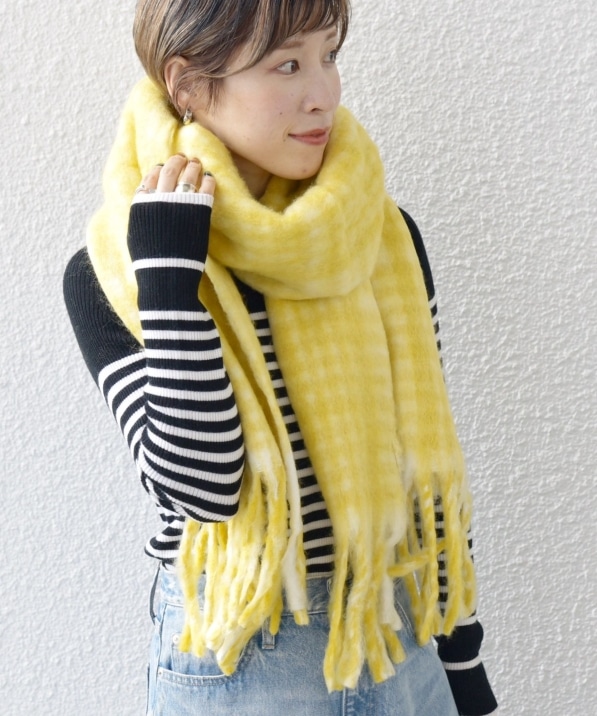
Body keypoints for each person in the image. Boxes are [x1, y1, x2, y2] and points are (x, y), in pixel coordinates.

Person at [63, 1, 498, 714]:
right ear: (188, 85)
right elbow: (203, 491)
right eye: (288, 64)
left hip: (401, 636)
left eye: (329, 55)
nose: (323, 93)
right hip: (245, 657)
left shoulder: (380, 238)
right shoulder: (113, 269)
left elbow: (422, 482)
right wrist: (170, 279)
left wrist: (462, 661)